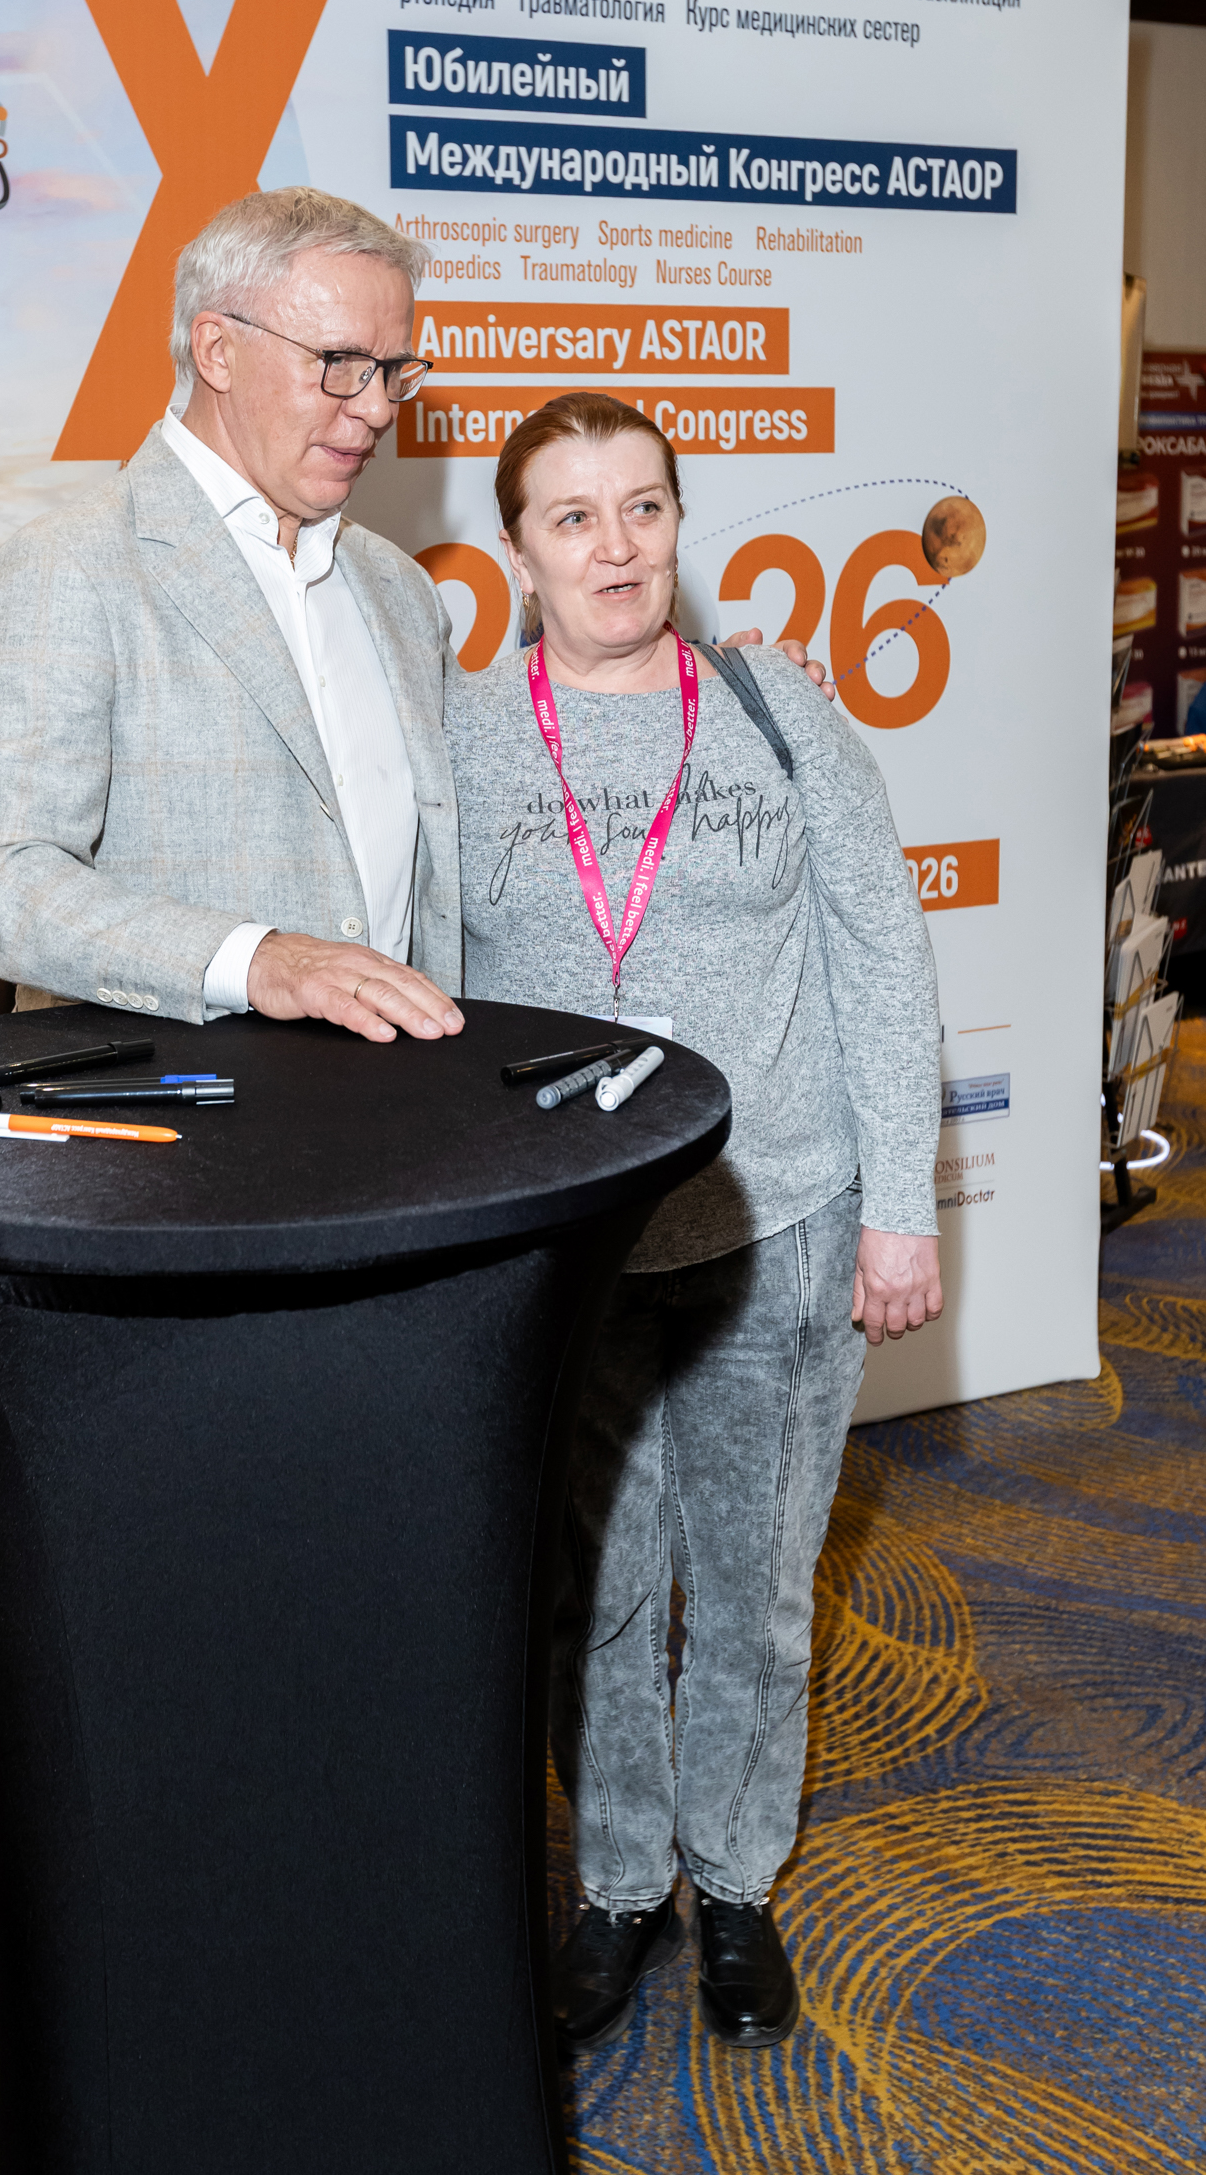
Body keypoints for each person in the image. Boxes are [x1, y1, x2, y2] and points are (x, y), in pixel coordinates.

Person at [444, 390, 942, 2052]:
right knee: (588, 1589)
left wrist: (897, 1207)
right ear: (516, 548)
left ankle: (730, 1883)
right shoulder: (460, 741)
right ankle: (613, 1886)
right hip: (565, 1252)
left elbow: (879, 954)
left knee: (752, 1586)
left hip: (779, 1225)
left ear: (677, 519)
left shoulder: (774, 708)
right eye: (572, 516)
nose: (616, 547)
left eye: (643, 507)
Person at [0, 187, 829, 1035]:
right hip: (176, 1130)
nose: (373, 409)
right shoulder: (70, 568)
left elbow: (516, 776)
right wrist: (255, 961)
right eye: (338, 366)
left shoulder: (396, 588)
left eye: (392, 370)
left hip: (404, 1118)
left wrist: (711, 697)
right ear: (216, 351)